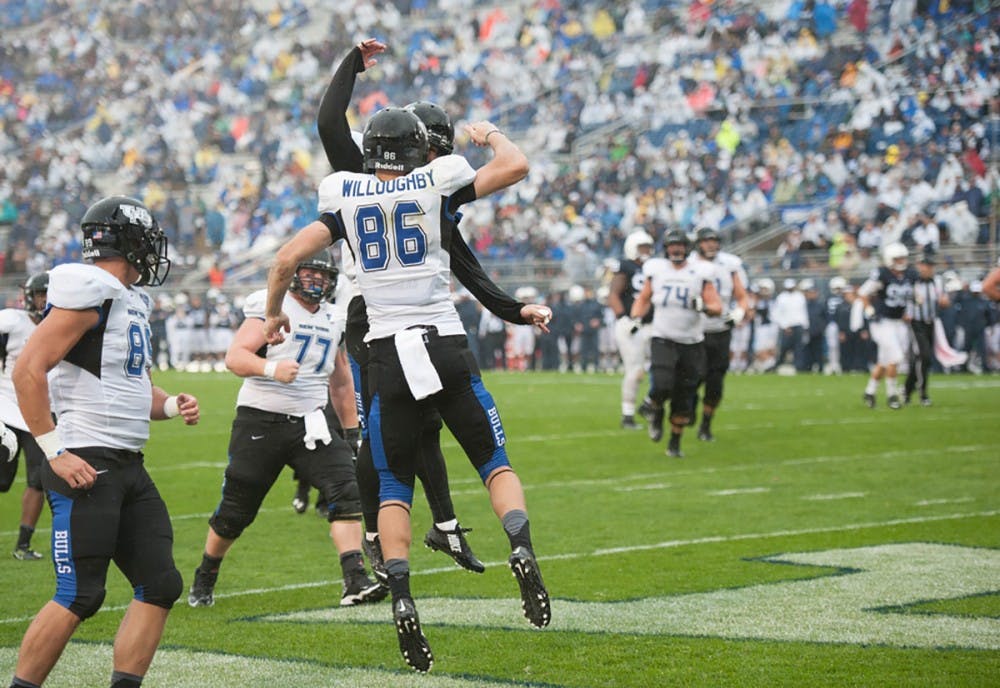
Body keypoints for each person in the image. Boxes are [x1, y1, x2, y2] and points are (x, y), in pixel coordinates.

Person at [265, 107, 553, 672]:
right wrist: (489, 134)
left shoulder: (343, 192)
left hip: (387, 352)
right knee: (493, 460)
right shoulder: (438, 179)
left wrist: (274, 313)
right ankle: (520, 546)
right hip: (444, 341)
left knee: (394, 481)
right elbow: (515, 166)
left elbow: (283, 261)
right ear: (420, 147)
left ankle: (400, 594)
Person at [313, 39, 543, 580]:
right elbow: (330, 128)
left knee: (425, 424)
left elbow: (462, 262)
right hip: (372, 317)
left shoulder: (407, 186)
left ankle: (441, 523)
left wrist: (513, 310)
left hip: (399, 323)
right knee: (385, 435)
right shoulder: (404, 181)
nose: (435, 160)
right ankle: (376, 534)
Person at [8, 195, 199, 688]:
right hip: (85, 458)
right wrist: (55, 451)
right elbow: (28, 368)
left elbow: (134, 388)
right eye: (146, 240)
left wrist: (171, 405)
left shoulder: (129, 298)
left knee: (160, 584)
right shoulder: (89, 287)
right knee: (80, 594)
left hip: (127, 462)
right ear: (127, 241)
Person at [187, 250, 384, 609]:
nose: (318, 281)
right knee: (236, 510)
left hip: (312, 420)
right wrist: (270, 369)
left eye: (323, 276)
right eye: (310, 273)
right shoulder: (271, 307)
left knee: (346, 490)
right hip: (261, 419)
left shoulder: (333, 317)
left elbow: (340, 381)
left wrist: (351, 432)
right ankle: (206, 573)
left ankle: (354, 578)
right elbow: (236, 356)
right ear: (292, 274)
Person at [633, 229, 722, 458]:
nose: (676, 249)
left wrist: (702, 306)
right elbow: (643, 298)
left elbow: (716, 307)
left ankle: (674, 443)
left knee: (684, 393)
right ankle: (653, 404)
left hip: (691, 342)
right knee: (662, 382)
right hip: (663, 336)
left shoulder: (700, 272)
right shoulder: (657, 270)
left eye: (680, 245)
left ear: (687, 248)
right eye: (672, 246)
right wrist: (634, 319)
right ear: (666, 249)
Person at [0, 273, 48, 560]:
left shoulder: (62, 325)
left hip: (37, 415)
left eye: (48, 294)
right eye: (40, 294)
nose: (44, 300)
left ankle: (23, 545)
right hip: (5, 409)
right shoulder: (12, 320)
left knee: (38, 481)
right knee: (2, 482)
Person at [687, 227, 748, 441]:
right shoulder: (689, 264)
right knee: (693, 377)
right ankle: (690, 407)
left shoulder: (730, 264)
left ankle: (705, 425)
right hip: (695, 331)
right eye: (706, 241)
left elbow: (742, 295)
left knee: (715, 381)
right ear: (698, 243)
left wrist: (739, 312)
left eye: (714, 240)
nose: (711, 244)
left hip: (721, 330)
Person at [854, 242, 917, 409]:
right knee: (895, 358)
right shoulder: (882, 274)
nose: (902, 261)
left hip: (899, 323)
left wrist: (909, 310)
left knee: (885, 362)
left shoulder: (910, 274)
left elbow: (910, 297)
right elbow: (862, 293)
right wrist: (868, 308)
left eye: (903, 257)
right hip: (882, 322)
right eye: (898, 258)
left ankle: (869, 392)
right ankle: (892, 396)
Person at [608, 229, 654, 429]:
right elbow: (613, 294)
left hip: (653, 324)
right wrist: (622, 318)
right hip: (630, 324)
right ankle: (627, 415)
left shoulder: (655, 267)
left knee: (662, 367)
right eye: (641, 247)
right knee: (635, 370)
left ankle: (650, 404)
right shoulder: (625, 266)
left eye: (648, 247)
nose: (646, 251)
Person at [904, 252, 949, 405]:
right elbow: (905, 301)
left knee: (922, 360)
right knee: (925, 356)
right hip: (916, 323)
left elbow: (944, 301)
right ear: (919, 266)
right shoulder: (912, 281)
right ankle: (923, 393)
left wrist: (944, 302)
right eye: (925, 266)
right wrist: (906, 313)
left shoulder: (938, 281)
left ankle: (907, 390)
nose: (928, 269)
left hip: (931, 323)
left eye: (930, 266)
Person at [772, 278, 808, 371]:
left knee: (799, 348)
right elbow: (776, 314)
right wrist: (784, 326)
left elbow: (803, 313)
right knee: (784, 347)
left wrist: (805, 326)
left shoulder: (800, 296)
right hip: (787, 327)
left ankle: (799, 367)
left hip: (798, 325)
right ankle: (778, 364)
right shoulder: (781, 297)